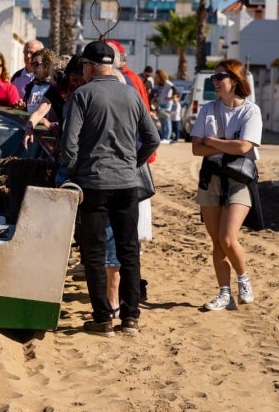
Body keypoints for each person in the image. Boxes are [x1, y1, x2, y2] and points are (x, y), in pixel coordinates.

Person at [60, 40, 160, 337]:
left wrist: (76, 172)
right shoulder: (131, 94)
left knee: (94, 253)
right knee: (129, 252)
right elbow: (152, 139)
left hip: (94, 184)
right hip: (127, 184)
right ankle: (130, 318)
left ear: (89, 67)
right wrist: (133, 163)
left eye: (84, 67)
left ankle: (103, 318)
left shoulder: (82, 95)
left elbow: (69, 146)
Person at [191, 59, 262, 311]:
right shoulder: (208, 109)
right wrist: (223, 144)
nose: (215, 82)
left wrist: (211, 141)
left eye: (220, 77)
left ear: (235, 80)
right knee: (217, 242)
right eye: (214, 77)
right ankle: (224, 294)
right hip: (211, 177)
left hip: (239, 178)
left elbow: (245, 147)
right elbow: (196, 148)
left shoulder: (250, 111)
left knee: (228, 237)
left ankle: (243, 279)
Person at [154, 69, 175, 143]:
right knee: (162, 122)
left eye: (157, 76)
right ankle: (163, 137)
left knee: (167, 121)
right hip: (161, 104)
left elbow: (174, 89)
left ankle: (167, 137)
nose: (156, 77)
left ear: (161, 76)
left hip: (167, 104)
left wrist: (171, 97)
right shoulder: (160, 84)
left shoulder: (167, 83)